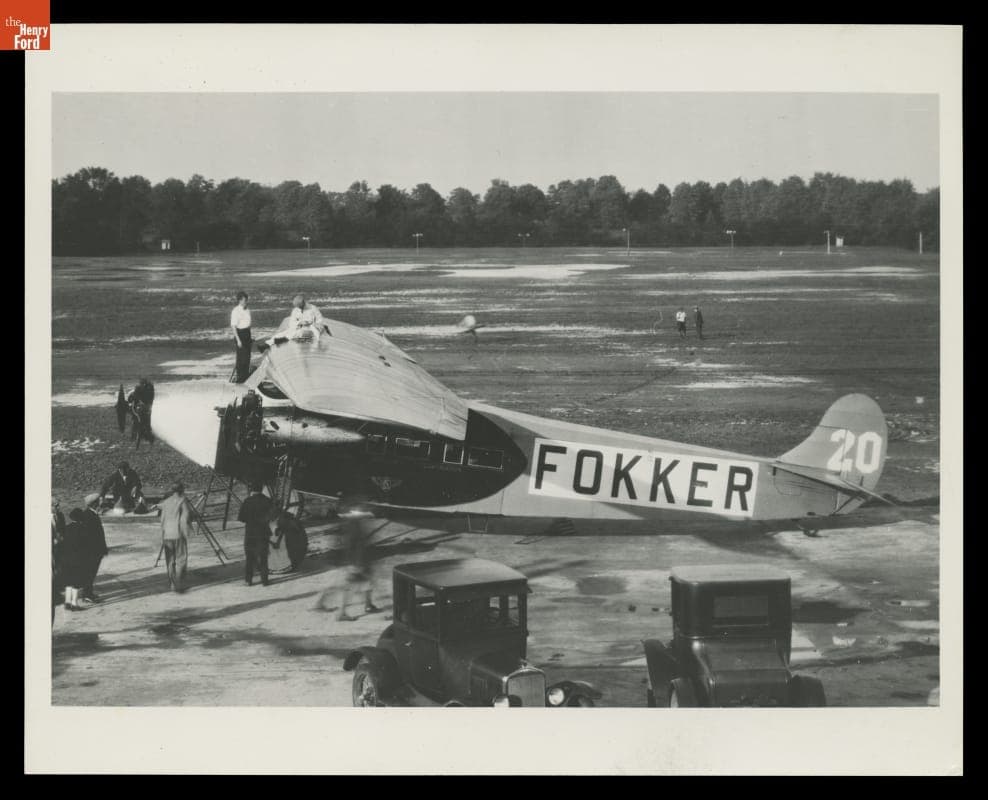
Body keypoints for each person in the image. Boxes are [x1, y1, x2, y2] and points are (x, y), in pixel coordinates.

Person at [333, 490, 381, 621]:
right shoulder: (354, 525)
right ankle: (342, 613)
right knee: (351, 585)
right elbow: (354, 545)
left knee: (368, 580)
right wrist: (356, 563)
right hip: (357, 560)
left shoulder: (352, 521)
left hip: (361, 558)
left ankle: (368, 604)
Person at [158, 482, 195, 593]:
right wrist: (187, 532)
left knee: (170, 560)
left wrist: (163, 533)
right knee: (181, 559)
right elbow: (185, 518)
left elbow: (162, 519)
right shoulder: (183, 501)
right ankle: (179, 583)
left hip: (167, 534)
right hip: (178, 533)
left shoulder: (166, 501)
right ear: (182, 490)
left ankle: (172, 584)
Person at [237, 484, 274, 587]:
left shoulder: (247, 501)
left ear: (251, 490)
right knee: (263, 557)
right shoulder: (267, 501)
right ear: (261, 489)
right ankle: (265, 581)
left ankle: (248, 580)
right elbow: (272, 516)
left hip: (250, 533)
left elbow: (242, 518)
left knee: (250, 558)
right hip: (263, 533)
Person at [79, 493, 108, 603]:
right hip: (91, 552)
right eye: (100, 501)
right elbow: (88, 536)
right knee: (89, 573)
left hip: (96, 551)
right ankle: (86, 594)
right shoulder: (88, 516)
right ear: (94, 503)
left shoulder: (92, 514)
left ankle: (89, 593)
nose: (102, 502)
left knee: (92, 572)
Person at [61, 509, 90, 611]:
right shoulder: (83, 529)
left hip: (66, 559)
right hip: (78, 559)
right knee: (77, 582)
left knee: (68, 581)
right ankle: (74, 603)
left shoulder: (66, 528)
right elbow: (86, 546)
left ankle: (67, 602)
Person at [230, 291, 253, 383]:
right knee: (241, 359)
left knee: (247, 357)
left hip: (247, 333)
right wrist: (238, 340)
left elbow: (248, 324)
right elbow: (233, 326)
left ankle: (245, 377)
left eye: (246, 300)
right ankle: (240, 378)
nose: (246, 302)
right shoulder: (235, 311)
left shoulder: (248, 310)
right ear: (239, 301)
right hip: (240, 334)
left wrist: (250, 336)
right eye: (244, 300)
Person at [126, 379, 155, 449]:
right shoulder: (149, 390)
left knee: (136, 421)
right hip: (143, 408)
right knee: (145, 423)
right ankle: (147, 438)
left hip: (141, 408)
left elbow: (130, 401)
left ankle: (135, 437)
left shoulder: (137, 390)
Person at [51, 500, 65, 624]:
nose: (57, 508)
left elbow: (63, 529)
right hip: (51, 550)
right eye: (54, 506)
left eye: (57, 506)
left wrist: (62, 538)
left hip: (59, 548)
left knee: (59, 568)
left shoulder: (60, 516)